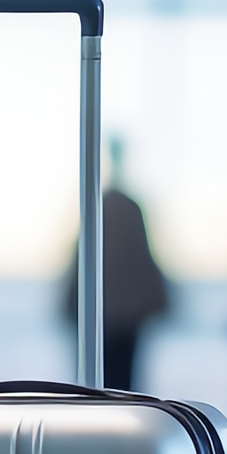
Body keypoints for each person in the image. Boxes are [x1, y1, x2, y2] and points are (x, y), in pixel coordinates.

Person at [63, 137, 169, 392]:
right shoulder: (121, 206)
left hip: (108, 318)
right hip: (122, 319)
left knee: (98, 387)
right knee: (119, 390)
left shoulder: (105, 205)